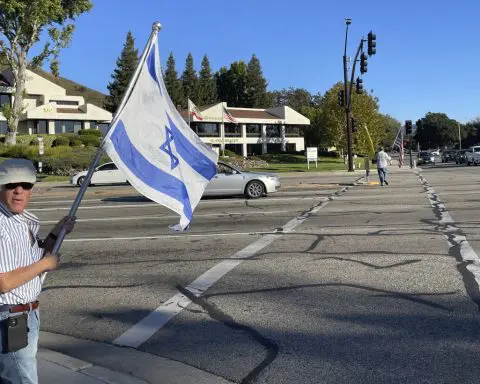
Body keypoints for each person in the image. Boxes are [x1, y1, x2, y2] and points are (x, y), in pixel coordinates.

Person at [0, 158, 75, 383]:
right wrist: (44, 265)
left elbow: (31, 258)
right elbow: (3, 282)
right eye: (11, 185)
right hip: (10, 317)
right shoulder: (2, 225)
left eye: (26, 185)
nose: (19, 191)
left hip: (26, 315)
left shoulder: (21, 220)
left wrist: (56, 233)